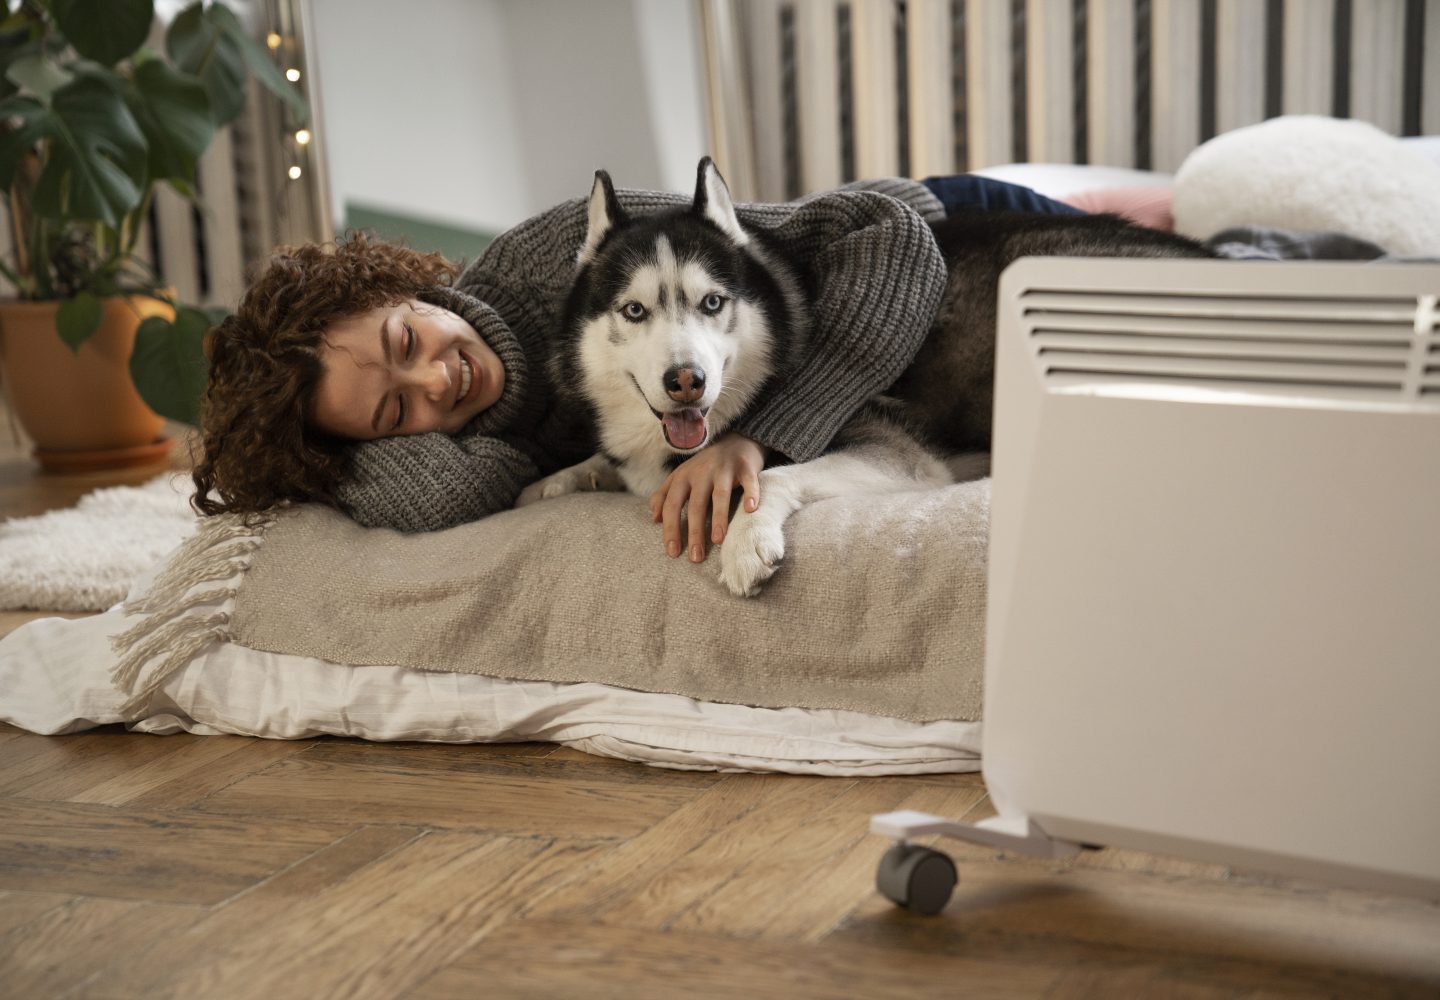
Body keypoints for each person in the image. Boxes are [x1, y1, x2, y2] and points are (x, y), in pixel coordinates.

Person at [192, 172, 1077, 560]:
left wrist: (764, 440)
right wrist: (317, 456)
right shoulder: (477, 451)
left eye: (405, 342)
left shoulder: (551, 257)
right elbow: (432, 501)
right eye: (394, 414)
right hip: (932, 382)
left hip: (946, 231)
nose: (435, 380)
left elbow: (886, 244)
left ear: (406, 287)